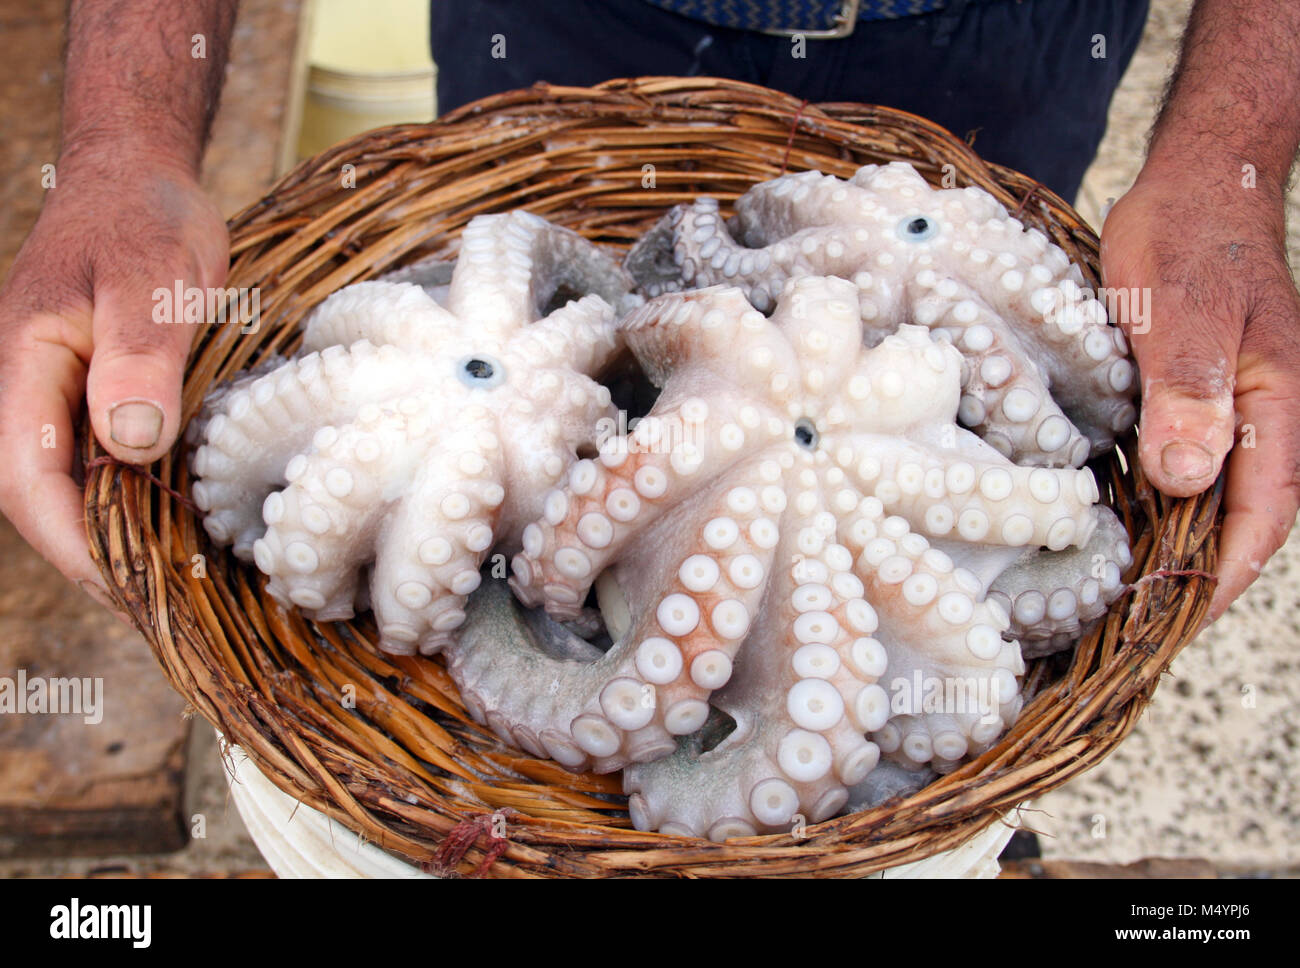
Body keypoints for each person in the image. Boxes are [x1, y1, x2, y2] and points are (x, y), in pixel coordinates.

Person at [0, 0, 1296, 628]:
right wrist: (122, 141)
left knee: (960, 303)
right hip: (560, 16)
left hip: (1009, 29)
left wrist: (1225, 160)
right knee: (510, 229)